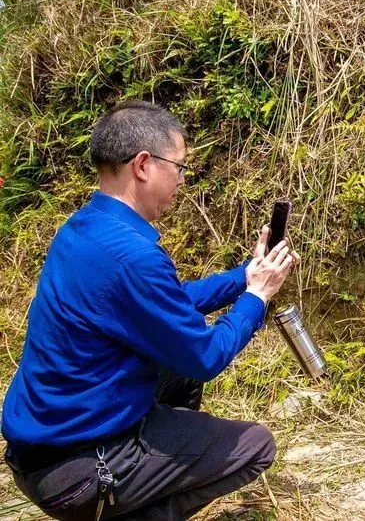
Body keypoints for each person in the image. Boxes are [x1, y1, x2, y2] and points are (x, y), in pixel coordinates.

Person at [1, 100, 300, 520]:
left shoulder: (82, 229)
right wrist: (257, 298)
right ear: (143, 165)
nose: (181, 180)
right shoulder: (133, 257)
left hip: (38, 452)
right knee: (256, 447)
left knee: (173, 367)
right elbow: (206, 357)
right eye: (179, 167)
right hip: (78, 472)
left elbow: (168, 304)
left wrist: (245, 277)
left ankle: (151, 464)